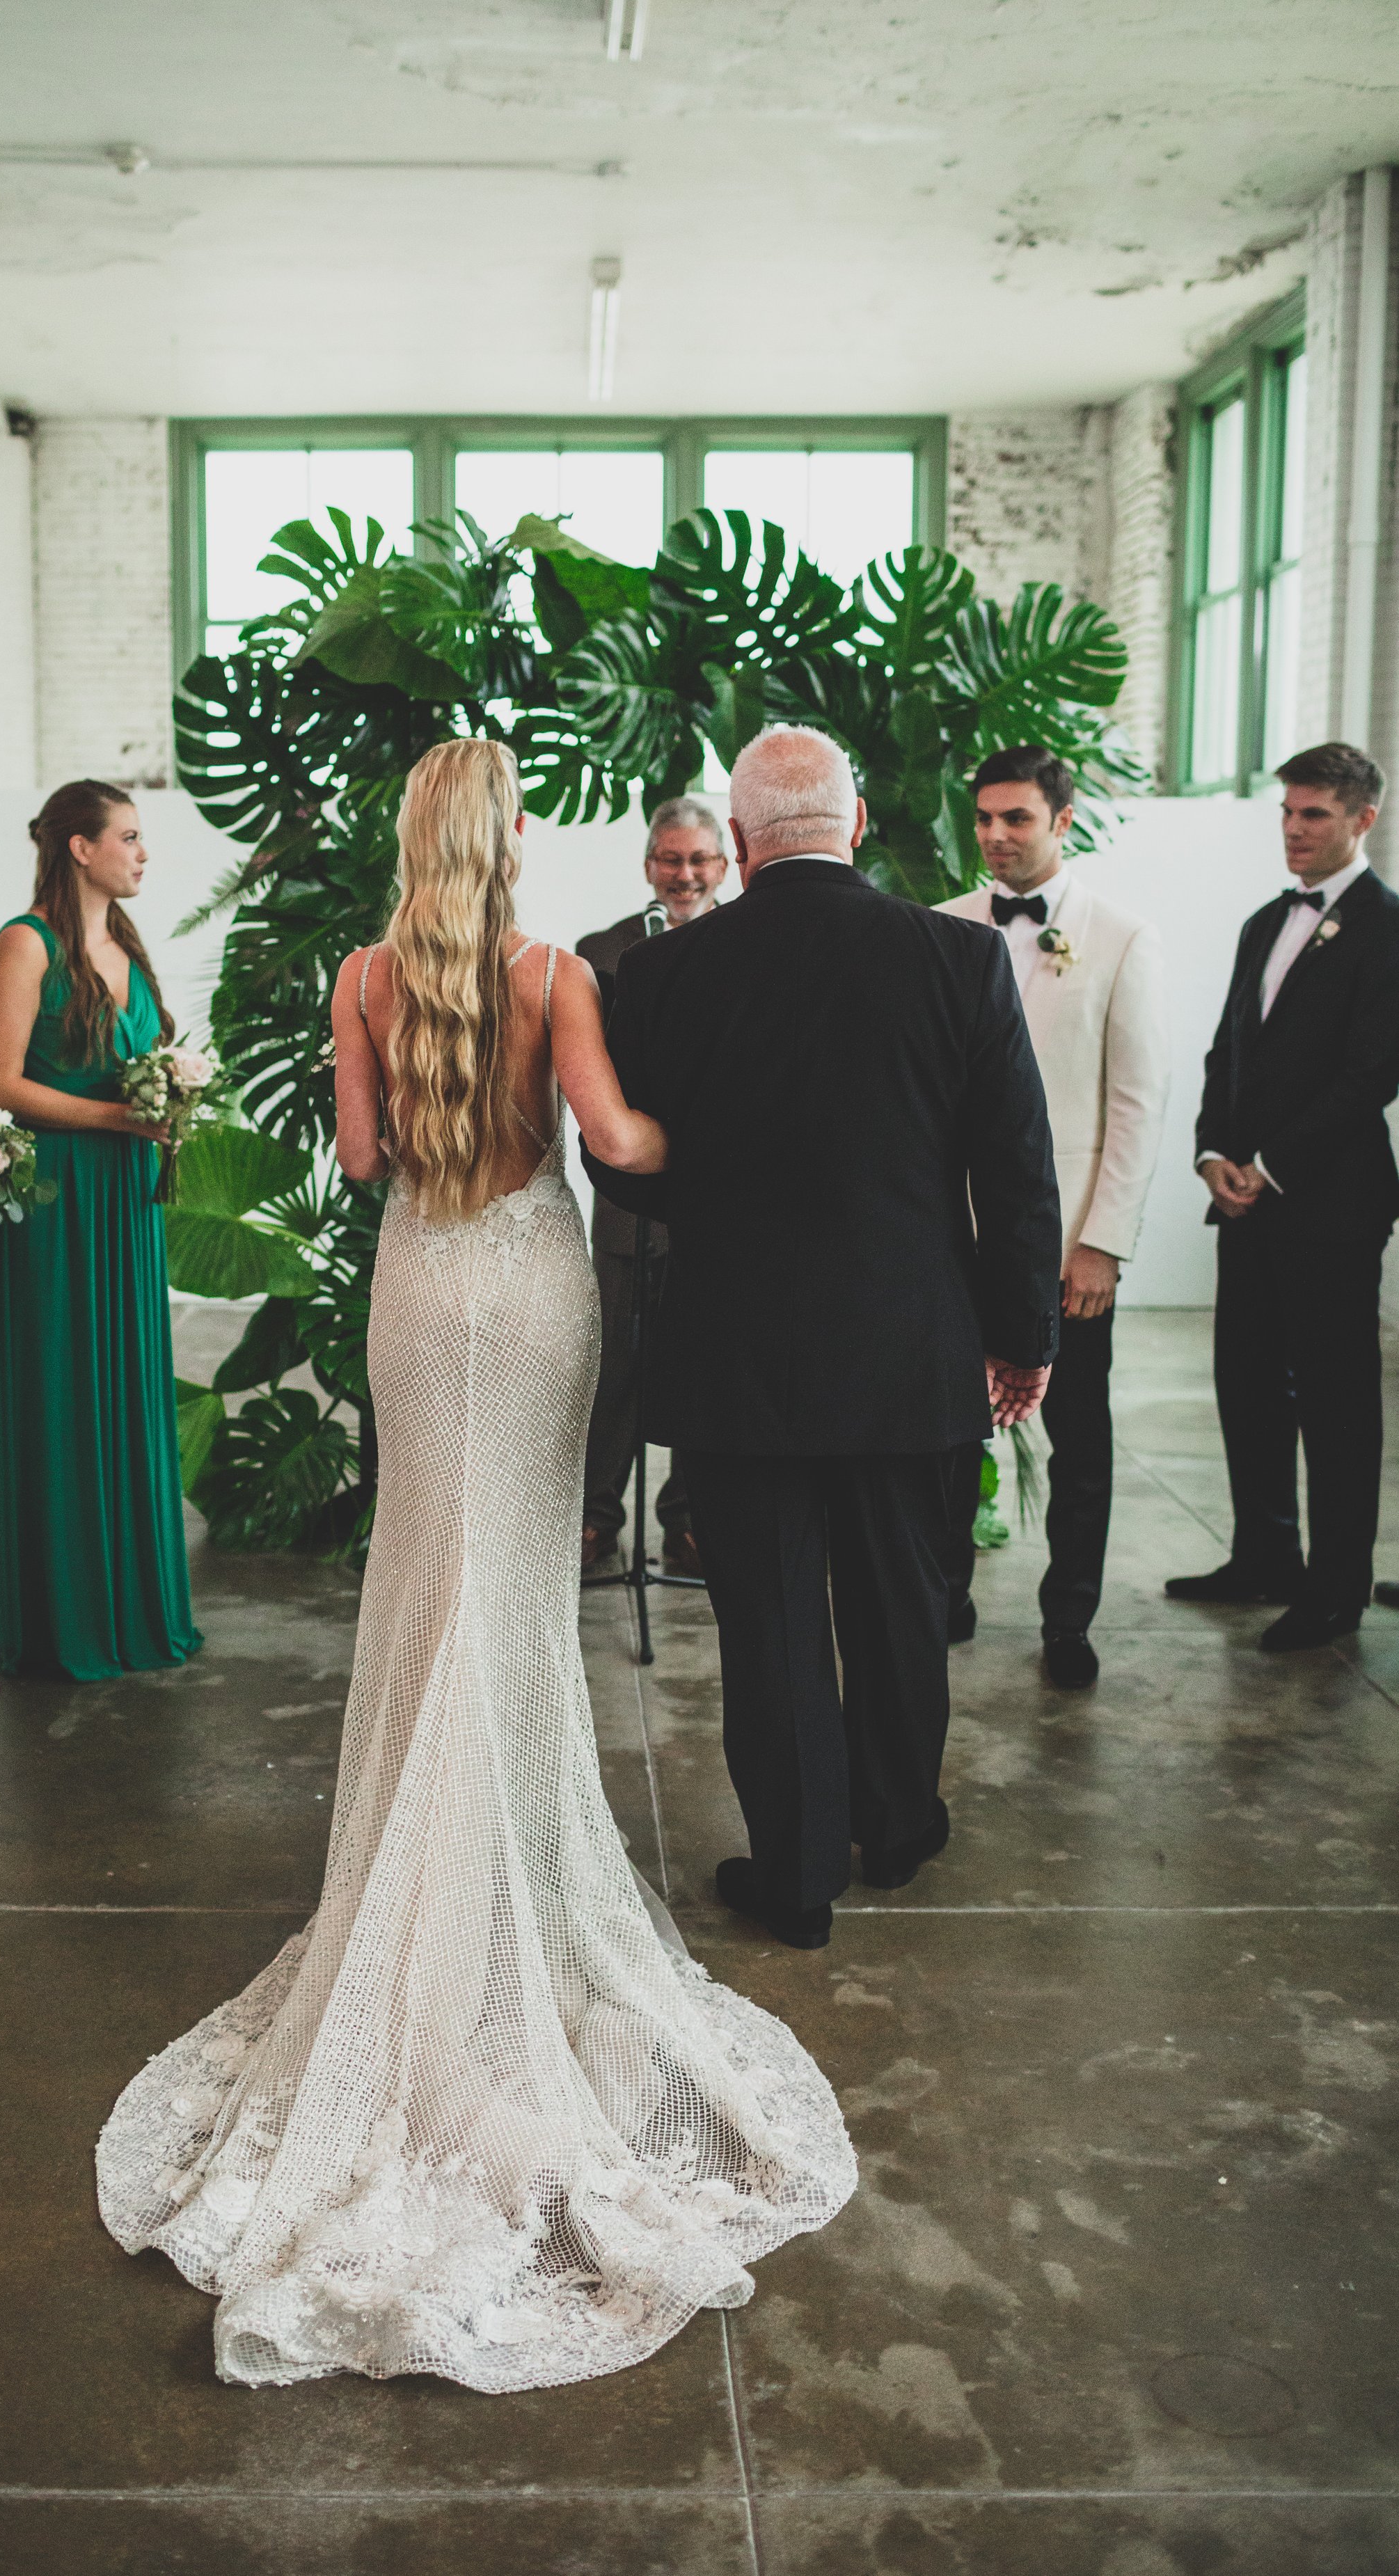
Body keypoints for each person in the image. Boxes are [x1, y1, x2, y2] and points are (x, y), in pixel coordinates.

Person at [97, 737, 855, 2394]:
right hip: (531, 1295)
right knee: (510, 1592)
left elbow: (362, 1162)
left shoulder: (367, 974)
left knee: (426, 1584)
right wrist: (720, 1112)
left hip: (423, 1288)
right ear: (503, 838)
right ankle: (496, 1880)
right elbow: (620, 1143)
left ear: (407, 838)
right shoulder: (555, 972)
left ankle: (410, 1891)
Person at [586, 725, 1059, 1947]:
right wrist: (1024, 1337)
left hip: (741, 1359)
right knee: (906, 1603)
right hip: (914, 1350)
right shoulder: (958, 960)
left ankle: (797, 1874)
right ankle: (898, 1826)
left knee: (771, 1617)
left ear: (737, 846)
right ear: (857, 826)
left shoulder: (663, 977)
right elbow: (1015, 1172)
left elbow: (627, 1172)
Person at [935, 747, 1169, 1688]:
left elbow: (1138, 1104)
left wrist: (1102, 1243)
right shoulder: (942, 930)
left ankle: (1069, 1616)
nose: (995, 834)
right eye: (985, 817)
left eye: (1017, 818)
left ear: (1062, 821)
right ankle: (945, 1594)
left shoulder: (1120, 938)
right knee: (948, 1432)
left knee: (1079, 1440)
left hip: (1068, 1242)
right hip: (953, 1237)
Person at [1166, 743, 1399, 1652]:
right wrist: (1213, 1153)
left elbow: (1371, 1073)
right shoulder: (1266, 920)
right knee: (1248, 1379)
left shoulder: (1385, 925)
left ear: (1363, 819)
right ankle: (1264, 1553)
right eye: (1288, 813)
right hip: (1245, 1197)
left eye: (1315, 815)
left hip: (1331, 1202)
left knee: (1336, 1398)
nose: (1295, 831)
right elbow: (1230, 1049)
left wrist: (1274, 1164)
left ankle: (1336, 1589)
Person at [0, 780, 201, 1681]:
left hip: (125, 1201)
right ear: (79, 847)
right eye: (129, 837)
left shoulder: (126, 943)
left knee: (127, 1391)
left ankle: (136, 1606)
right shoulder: (23, 943)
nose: (143, 854)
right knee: (63, 1395)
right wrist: (118, 1122)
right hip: (57, 1202)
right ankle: (65, 1619)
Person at [576, 796, 729, 1581]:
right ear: (649, 866)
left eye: (699, 859)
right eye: (671, 859)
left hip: (718, 1198)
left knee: (706, 1362)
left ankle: (691, 1521)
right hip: (627, 1198)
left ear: (724, 864)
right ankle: (596, 1518)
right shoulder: (598, 951)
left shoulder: (746, 945)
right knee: (614, 1362)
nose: (685, 873)